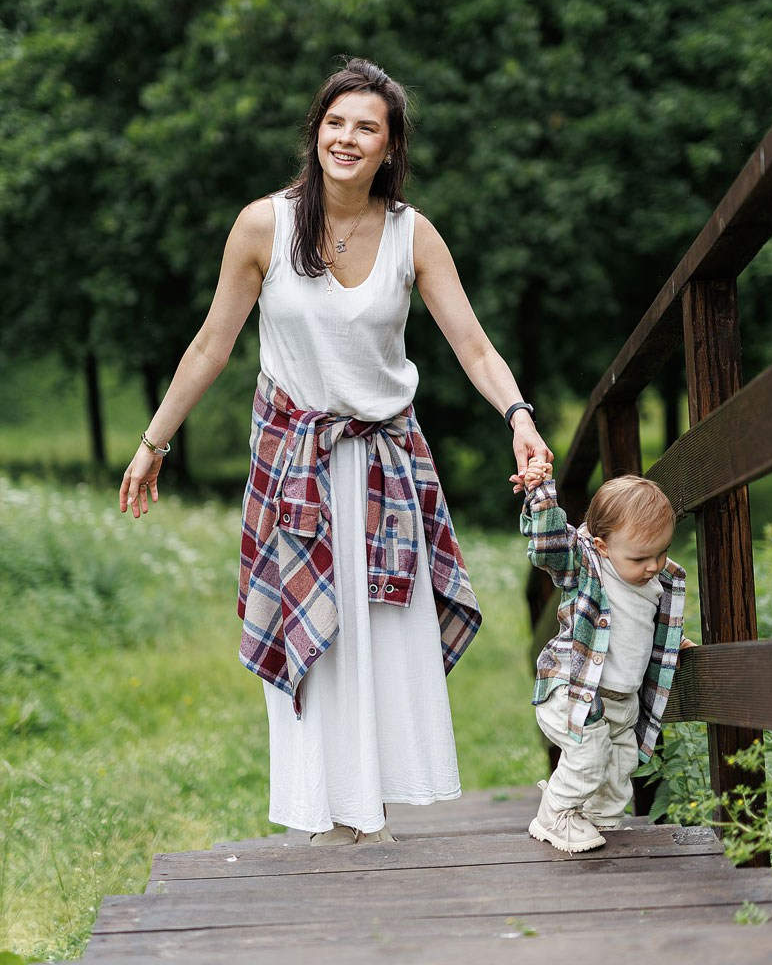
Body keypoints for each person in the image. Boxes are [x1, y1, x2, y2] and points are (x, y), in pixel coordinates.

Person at [119, 57, 552, 845]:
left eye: (367, 128)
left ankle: (373, 809)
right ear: (316, 130)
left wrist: (518, 414)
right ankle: (320, 812)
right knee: (312, 637)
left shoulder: (412, 234)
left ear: (389, 148)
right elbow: (213, 345)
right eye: (336, 122)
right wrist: (155, 441)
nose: (347, 139)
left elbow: (474, 347)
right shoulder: (264, 226)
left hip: (386, 467)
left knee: (385, 634)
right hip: (295, 466)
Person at [517, 464, 691, 854]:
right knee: (590, 754)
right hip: (576, 691)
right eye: (641, 557)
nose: (653, 565)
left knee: (621, 763)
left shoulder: (656, 582)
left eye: (662, 553)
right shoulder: (588, 567)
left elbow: (649, 628)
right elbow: (550, 545)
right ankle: (554, 814)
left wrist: (674, 644)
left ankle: (592, 816)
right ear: (603, 546)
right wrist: (540, 492)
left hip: (621, 701)